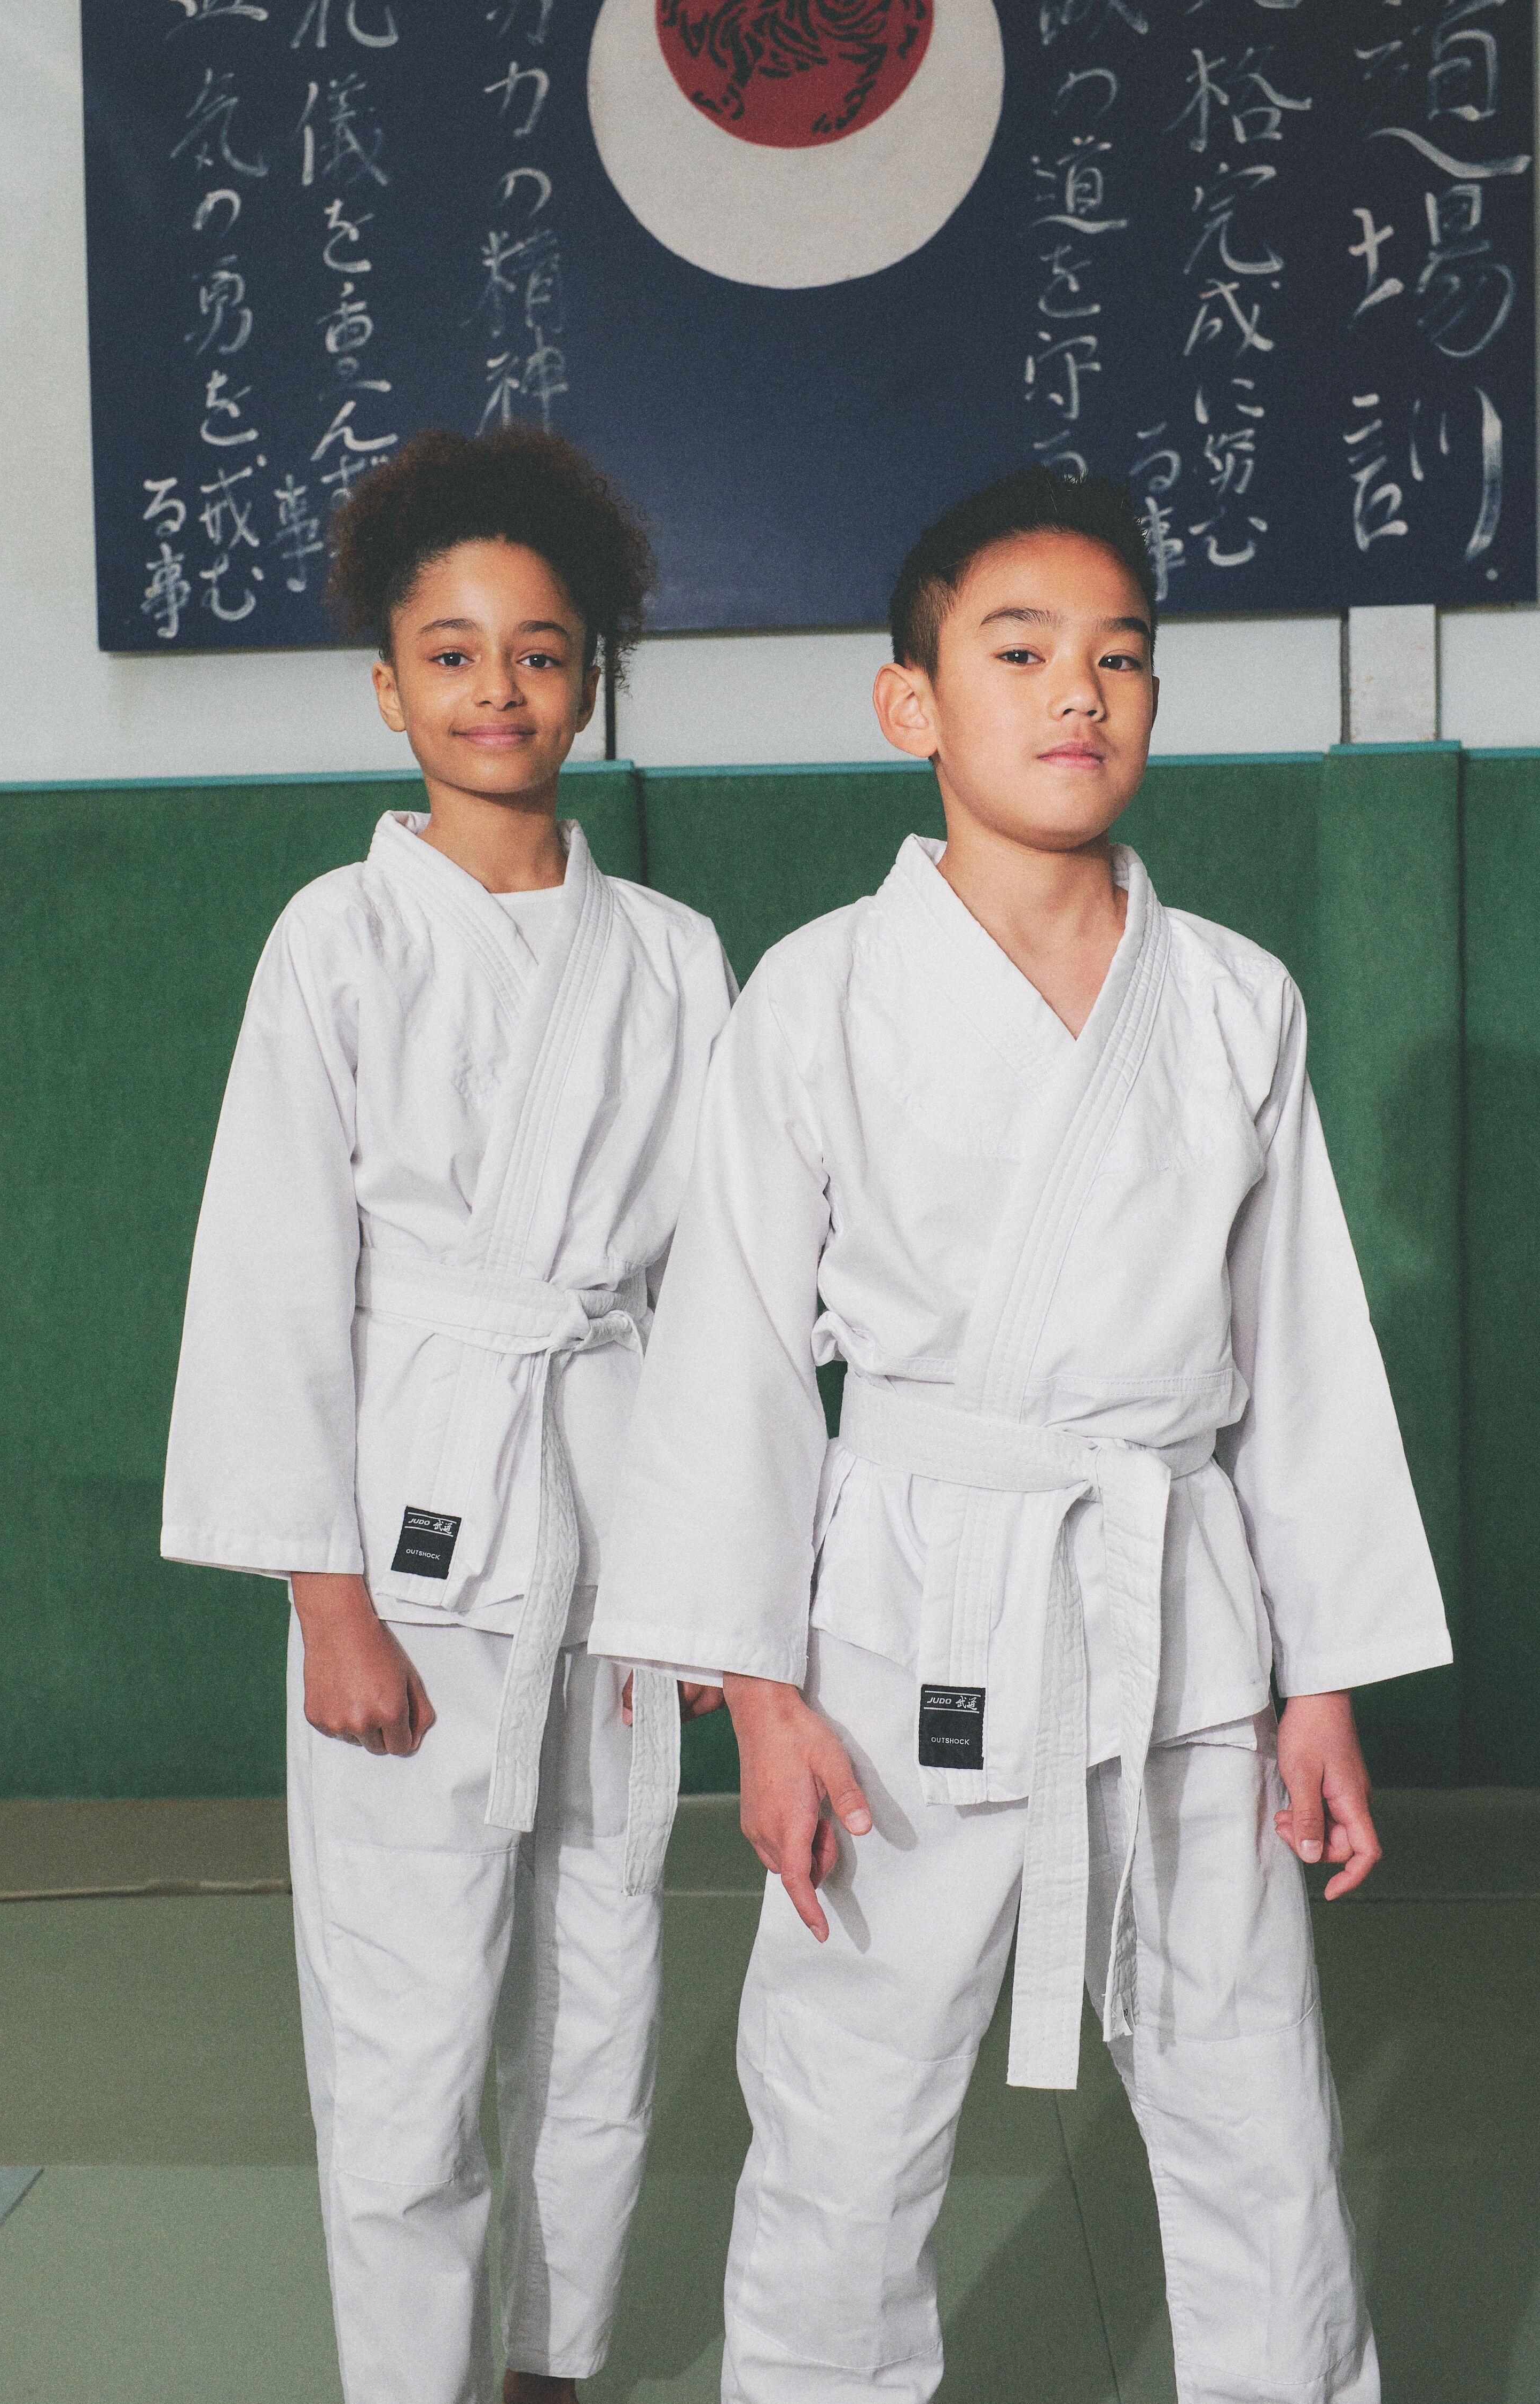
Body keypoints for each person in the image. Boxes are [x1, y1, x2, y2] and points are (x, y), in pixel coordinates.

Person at [591, 466, 1452, 2403]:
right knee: (845, 2108)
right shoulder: (817, 993)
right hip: (909, 1612)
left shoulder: (1233, 1000)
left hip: (1185, 1611)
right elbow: (734, 1351)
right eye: (1021, 650)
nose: (1080, 691)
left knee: (1258, 2112)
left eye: (1119, 657)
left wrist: (1324, 1681)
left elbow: (1299, 1353)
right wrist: (760, 1693)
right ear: (911, 702)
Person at [162, 427, 729, 2404]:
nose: (501, 689)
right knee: (406, 2021)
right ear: (388, 687)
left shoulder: (673, 957)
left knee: (606, 1980)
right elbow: (270, 1273)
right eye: (455, 652)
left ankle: (557, 2365)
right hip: (407, 1535)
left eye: (542, 652)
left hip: (620, 1519)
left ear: (595, 677)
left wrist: (721, 1578)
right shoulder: (337, 934)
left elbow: (722, 1291)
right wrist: (326, 1598)